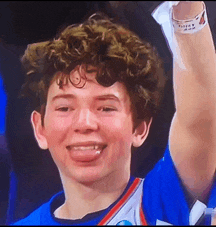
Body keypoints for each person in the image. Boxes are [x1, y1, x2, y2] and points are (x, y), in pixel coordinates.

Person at [11, 1, 216, 225]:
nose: (85, 123)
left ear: (139, 128)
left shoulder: (161, 200)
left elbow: (200, 121)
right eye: (65, 108)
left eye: (106, 108)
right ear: (40, 129)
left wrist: (186, 9)